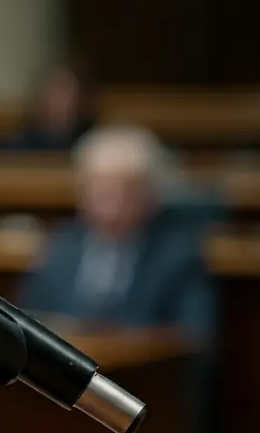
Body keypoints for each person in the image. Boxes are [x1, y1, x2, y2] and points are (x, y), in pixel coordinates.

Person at [17, 125, 216, 343]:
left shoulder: (178, 254)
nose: (114, 201)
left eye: (127, 189)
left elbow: (195, 340)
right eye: (102, 188)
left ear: (151, 194)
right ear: (82, 192)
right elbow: (28, 325)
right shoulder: (59, 247)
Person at [9, 60, 97, 151]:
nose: (54, 98)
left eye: (62, 89)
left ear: (78, 98)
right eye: (49, 90)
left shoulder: (90, 144)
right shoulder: (20, 143)